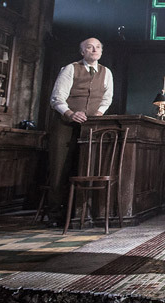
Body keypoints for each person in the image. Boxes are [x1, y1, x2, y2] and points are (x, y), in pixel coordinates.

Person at [47, 37, 113, 225]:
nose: (94, 50)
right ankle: (55, 213)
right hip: (65, 124)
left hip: (90, 127)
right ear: (82, 51)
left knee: (84, 166)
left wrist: (98, 114)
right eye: (90, 47)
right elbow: (56, 98)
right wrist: (69, 113)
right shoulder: (71, 69)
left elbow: (107, 99)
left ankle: (79, 212)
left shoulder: (106, 72)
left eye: (98, 47)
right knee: (60, 167)